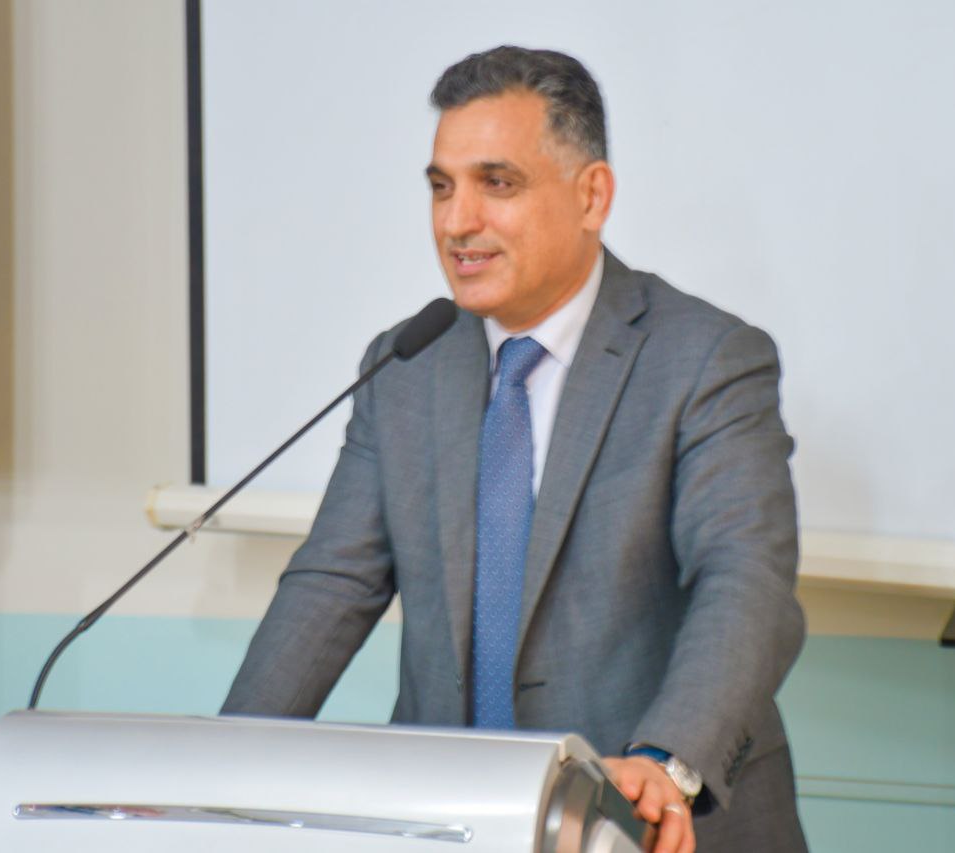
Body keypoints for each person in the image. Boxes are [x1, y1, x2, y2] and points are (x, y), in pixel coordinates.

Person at [222, 46, 808, 853]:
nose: (456, 221)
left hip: (647, 826)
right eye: (441, 186)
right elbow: (333, 582)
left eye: (496, 183)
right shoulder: (406, 363)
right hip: (453, 823)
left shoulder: (705, 358)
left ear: (591, 195)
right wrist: (220, 768)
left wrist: (664, 762)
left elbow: (746, 579)